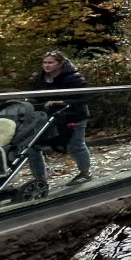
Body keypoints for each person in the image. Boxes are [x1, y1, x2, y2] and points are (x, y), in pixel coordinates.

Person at [27, 50, 91, 193]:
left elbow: (82, 98)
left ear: (60, 63)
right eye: (44, 62)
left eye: (51, 62)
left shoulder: (74, 77)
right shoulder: (41, 78)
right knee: (33, 145)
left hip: (73, 115)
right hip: (49, 117)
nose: (47, 66)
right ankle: (40, 177)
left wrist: (60, 101)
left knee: (76, 144)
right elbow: (37, 97)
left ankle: (85, 172)